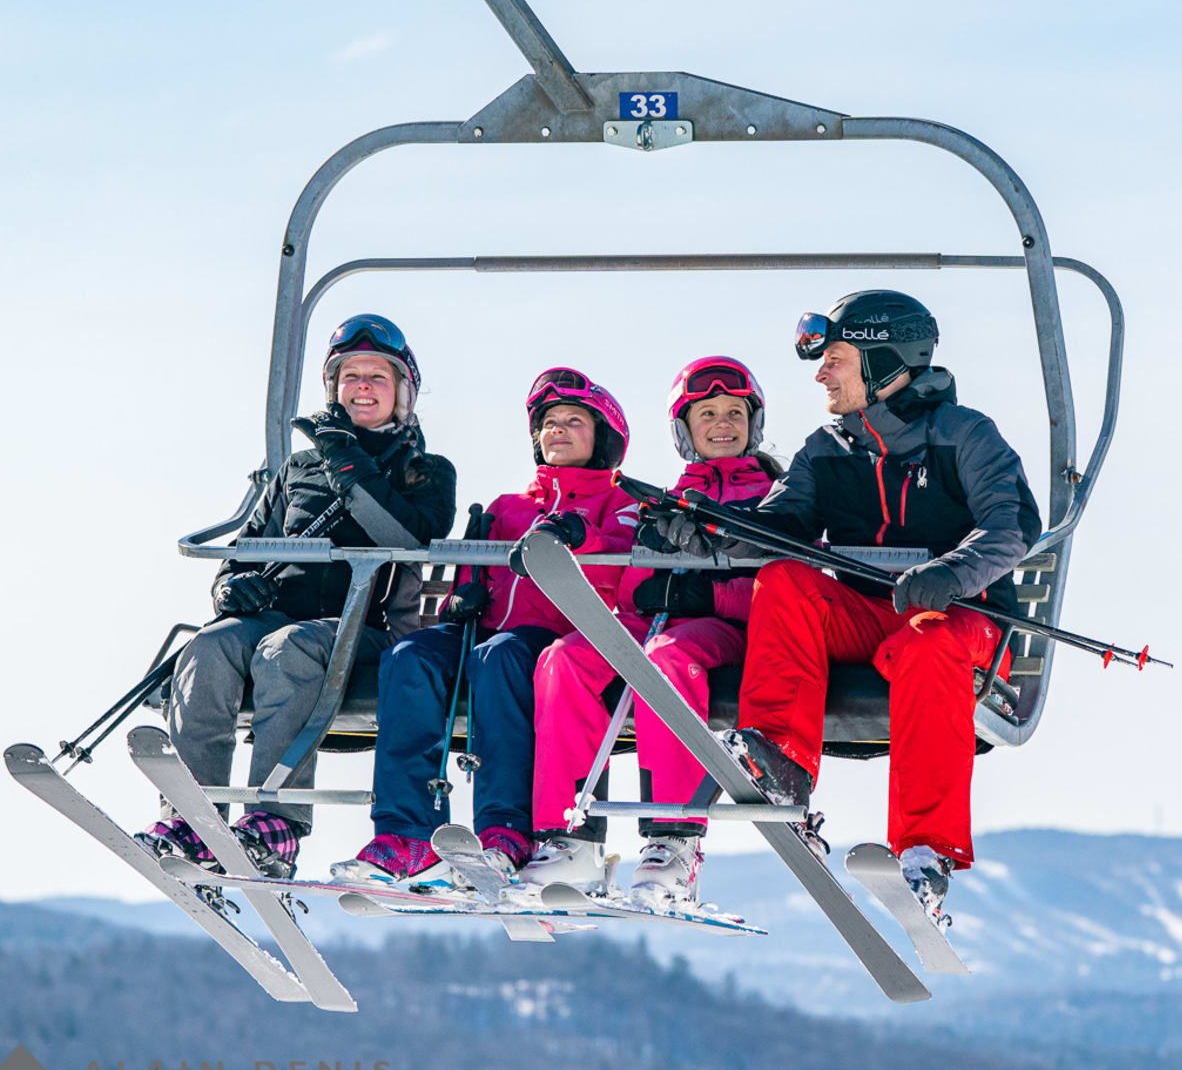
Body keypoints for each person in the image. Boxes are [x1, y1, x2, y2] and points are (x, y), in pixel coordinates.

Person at [657, 291, 1041, 928]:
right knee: (784, 578)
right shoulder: (829, 447)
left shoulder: (965, 435)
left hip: (956, 620)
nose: (821, 374)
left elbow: (1011, 524)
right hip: (866, 615)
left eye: (834, 358)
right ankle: (779, 762)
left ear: (883, 361)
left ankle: (924, 850)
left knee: (928, 645)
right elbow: (778, 525)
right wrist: (711, 532)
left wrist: (950, 572)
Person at [137, 315, 456, 878]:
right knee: (206, 650)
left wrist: (347, 461)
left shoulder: (423, 472)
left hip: (364, 628)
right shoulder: (297, 469)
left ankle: (275, 822)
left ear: (402, 390)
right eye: (350, 375)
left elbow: (406, 541)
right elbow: (247, 548)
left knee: (285, 650)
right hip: (277, 618)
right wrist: (232, 587)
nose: (362, 385)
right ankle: (193, 816)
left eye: (377, 376)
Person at [332, 367, 638, 888]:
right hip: (490, 636)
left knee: (501, 657)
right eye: (549, 423)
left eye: (573, 420)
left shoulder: (621, 504)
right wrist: (461, 599)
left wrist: (578, 536)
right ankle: (404, 832)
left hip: (558, 637)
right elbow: (475, 574)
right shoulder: (509, 507)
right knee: (412, 655)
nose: (557, 430)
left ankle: (506, 830)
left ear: (603, 438)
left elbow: (621, 571)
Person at [522, 357, 780, 903]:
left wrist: (703, 591)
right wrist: (649, 577)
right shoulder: (665, 499)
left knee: (664, 659)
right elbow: (628, 590)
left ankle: (674, 839)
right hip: (657, 629)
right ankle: (571, 839)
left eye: (734, 412)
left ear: (752, 423)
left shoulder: (777, 497)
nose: (721, 424)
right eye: (706, 413)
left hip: (728, 633)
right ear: (685, 429)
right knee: (564, 658)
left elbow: (786, 589)